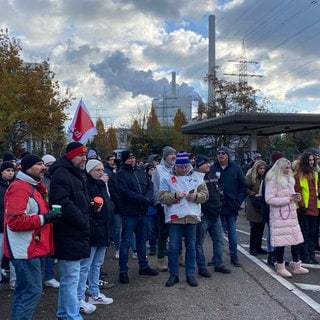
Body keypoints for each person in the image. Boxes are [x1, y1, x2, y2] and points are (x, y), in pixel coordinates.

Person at [3, 154, 60, 319]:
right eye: (39, 164)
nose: (43, 167)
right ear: (27, 168)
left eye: (43, 164)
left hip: (31, 248)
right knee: (32, 291)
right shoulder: (20, 188)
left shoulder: (33, 186)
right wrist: (45, 218)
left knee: (24, 291)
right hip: (25, 250)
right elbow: (14, 221)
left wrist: (48, 216)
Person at [49, 142, 94, 318]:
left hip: (75, 233)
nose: (84, 159)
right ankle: (71, 315)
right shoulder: (62, 174)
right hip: (68, 233)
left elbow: (76, 199)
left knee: (70, 280)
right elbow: (62, 202)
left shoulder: (75, 173)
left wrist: (89, 205)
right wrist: (82, 219)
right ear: (71, 156)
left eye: (85, 155)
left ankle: (64, 314)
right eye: (81, 155)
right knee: (70, 281)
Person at [159, 150, 209, 287]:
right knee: (174, 247)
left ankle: (190, 274)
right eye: (181, 167)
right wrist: (175, 195)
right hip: (175, 218)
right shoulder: (167, 178)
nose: (183, 169)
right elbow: (162, 197)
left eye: (186, 166)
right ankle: (173, 275)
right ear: (176, 166)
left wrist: (196, 197)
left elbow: (205, 195)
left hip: (192, 217)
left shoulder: (197, 178)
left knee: (191, 247)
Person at [116, 150, 158, 284]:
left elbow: (150, 185)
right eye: (129, 158)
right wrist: (143, 199)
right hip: (130, 212)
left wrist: (148, 198)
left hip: (142, 212)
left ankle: (143, 266)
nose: (132, 160)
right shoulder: (121, 174)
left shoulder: (140, 171)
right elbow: (124, 192)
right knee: (126, 242)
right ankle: (123, 270)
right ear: (124, 160)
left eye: (133, 157)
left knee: (141, 241)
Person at [77, 159, 114, 307]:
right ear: (90, 171)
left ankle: (94, 293)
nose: (100, 172)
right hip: (93, 230)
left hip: (104, 229)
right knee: (86, 265)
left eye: (101, 169)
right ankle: (79, 297)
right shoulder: (87, 186)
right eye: (97, 170)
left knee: (97, 264)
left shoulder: (101, 184)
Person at [264, 157, 309, 277]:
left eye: (289, 168)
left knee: (295, 239)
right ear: (280, 168)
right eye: (286, 168)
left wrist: (295, 198)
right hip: (280, 215)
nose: (288, 170)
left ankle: (296, 264)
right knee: (281, 241)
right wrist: (286, 199)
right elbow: (269, 198)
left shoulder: (290, 180)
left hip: (291, 213)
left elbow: (289, 196)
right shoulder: (273, 180)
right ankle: (280, 265)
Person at [210, 146, 247, 267]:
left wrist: (238, 200)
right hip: (217, 204)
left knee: (232, 232)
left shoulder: (236, 168)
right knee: (217, 233)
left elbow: (243, 185)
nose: (220, 155)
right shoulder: (213, 168)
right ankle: (216, 256)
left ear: (228, 155)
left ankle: (234, 255)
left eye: (223, 153)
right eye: (218, 153)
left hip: (231, 204)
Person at [195, 154, 231, 277]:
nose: (209, 165)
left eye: (209, 163)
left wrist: (220, 203)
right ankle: (201, 266)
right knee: (199, 242)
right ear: (199, 165)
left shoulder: (212, 175)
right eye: (206, 163)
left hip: (216, 214)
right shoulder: (195, 178)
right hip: (203, 215)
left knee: (219, 241)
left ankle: (218, 263)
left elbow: (219, 191)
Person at [151, 146, 178, 271]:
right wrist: (157, 203)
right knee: (163, 233)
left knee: (178, 232)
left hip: (177, 204)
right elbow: (155, 188)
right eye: (171, 154)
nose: (173, 156)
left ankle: (179, 256)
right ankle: (161, 260)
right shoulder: (158, 169)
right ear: (165, 156)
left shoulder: (177, 168)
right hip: (163, 205)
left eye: (174, 154)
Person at [294, 152, 320, 264]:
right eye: (309, 160)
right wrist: (301, 205)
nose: (312, 162)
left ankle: (311, 255)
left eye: (312, 160)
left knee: (312, 232)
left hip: (314, 206)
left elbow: (317, 188)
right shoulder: (298, 175)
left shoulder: (315, 173)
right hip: (304, 208)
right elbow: (297, 190)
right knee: (304, 232)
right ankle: (305, 256)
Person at [41, 154, 60, 288]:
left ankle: (49, 276)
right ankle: (44, 276)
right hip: (43, 217)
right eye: (48, 165)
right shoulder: (40, 181)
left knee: (51, 248)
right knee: (43, 249)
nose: (51, 167)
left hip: (55, 215)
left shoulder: (58, 177)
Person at [246, 160, 268, 256]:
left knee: (261, 227)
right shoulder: (251, 177)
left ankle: (258, 247)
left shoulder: (265, 177)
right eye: (260, 168)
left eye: (264, 168)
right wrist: (253, 194)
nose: (262, 170)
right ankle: (252, 248)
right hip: (253, 204)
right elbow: (245, 188)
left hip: (262, 204)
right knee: (254, 228)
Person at [0, 162, 16, 285]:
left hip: (12, 225)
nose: (10, 172)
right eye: (8, 170)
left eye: (12, 170)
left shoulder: (15, 185)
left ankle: (14, 281)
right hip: (1, 225)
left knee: (14, 254)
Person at [145, 164, 157, 256]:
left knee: (158, 230)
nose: (153, 171)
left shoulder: (157, 180)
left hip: (157, 208)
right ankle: (152, 247)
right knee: (151, 230)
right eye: (151, 169)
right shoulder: (145, 181)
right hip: (150, 209)